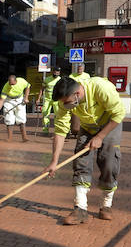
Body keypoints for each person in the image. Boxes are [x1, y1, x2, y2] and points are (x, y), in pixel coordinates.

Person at [46, 74, 125, 225]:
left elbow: (119, 114)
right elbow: (60, 130)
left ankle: (106, 205)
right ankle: (80, 209)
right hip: (87, 127)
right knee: (81, 162)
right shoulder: (64, 102)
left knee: (109, 163)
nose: (66, 106)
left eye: (68, 103)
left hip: (110, 123)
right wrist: (54, 161)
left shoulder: (100, 87)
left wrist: (100, 137)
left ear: (77, 94)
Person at [0, 70, 31, 142]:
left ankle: (24, 137)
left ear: (16, 81)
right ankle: (10, 137)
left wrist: (26, 97)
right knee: (9, 119)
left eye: (12, 84)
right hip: (9, 101)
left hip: (20, 99)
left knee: (21, 118)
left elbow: (28, 87)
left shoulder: (21, 81)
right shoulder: (6, 86)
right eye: (10, 84)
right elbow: (1, 100)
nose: (11, 86)